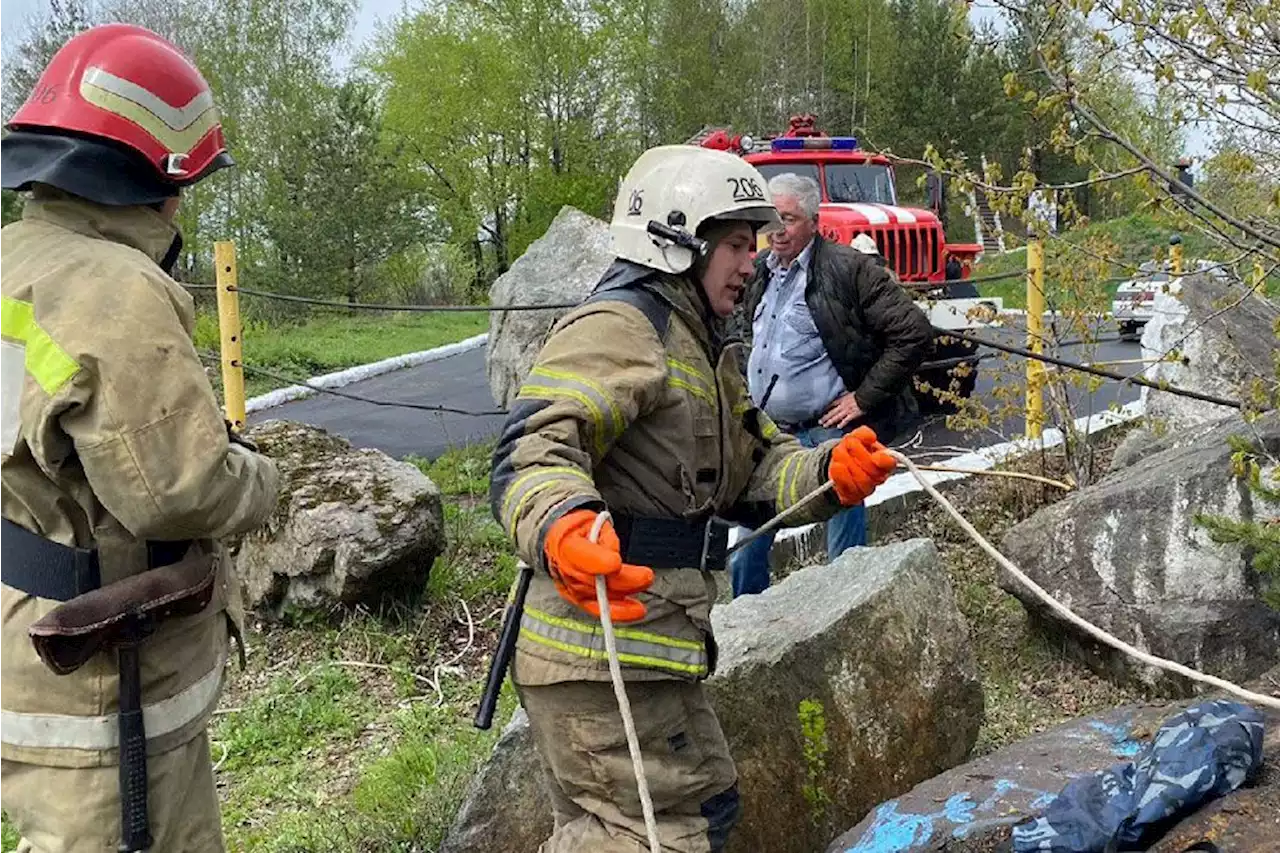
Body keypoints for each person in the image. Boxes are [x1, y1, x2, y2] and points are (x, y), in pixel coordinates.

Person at [489, 144, 898, 852]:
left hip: (651, 644)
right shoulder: (621, 326)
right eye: (738, 244)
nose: (754, 261)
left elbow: (757, 470)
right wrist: (562, 524)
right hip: (599, 651)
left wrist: (835, 471)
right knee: (661, 835)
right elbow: (533, 447)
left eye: (758, 243)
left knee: (701, 806)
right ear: (678, 241)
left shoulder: (698, 343)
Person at [0, 23, 279, 853]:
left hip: (25, 644)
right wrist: (263, 479)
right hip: (104, 687)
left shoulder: (14, 260)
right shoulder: (113, 286)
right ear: (157, 180)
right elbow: (176, 489)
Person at [729, 173, 932, 598]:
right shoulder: (758, 274)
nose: (777, 231)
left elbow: (913, 332)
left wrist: (864, 397)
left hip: (827, 430)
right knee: (746, 546)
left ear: (813, 221)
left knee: (845, 550)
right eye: (771, 220)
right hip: (768, 432)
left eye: (788, 219)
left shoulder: (848, 269)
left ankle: (847, 616)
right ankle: (744, 630)